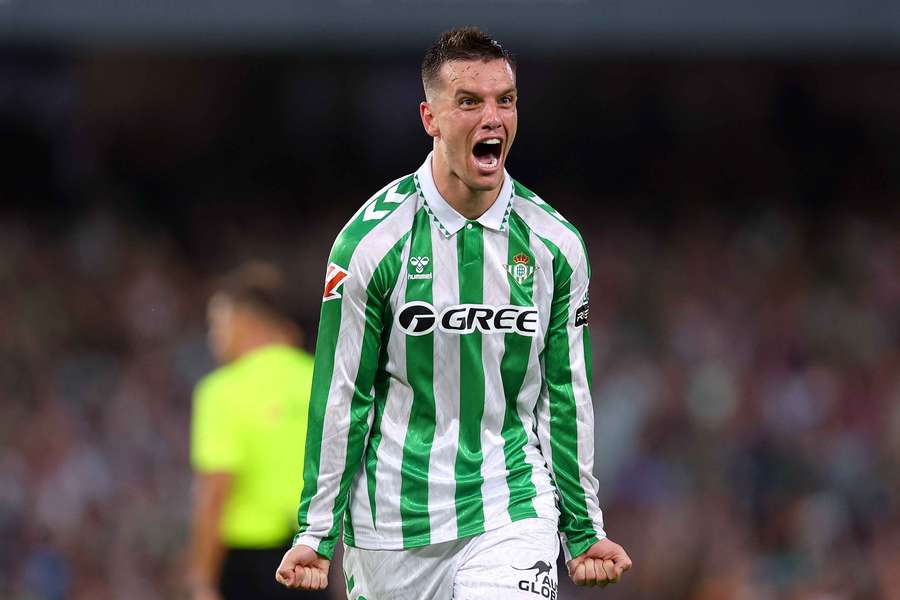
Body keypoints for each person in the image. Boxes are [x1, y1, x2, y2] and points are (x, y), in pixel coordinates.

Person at [276, 27, 633, 598]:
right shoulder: (372, 243)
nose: (493, 117)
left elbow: (566, 394)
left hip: (510, 502)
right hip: (392, 525)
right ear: (430, 118)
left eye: (505, 100)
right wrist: (315, 533)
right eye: (469, 102)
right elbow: (343, 393)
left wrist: (584, 529)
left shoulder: (554, 246)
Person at [188, 262, 329, 600]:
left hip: (246, 565)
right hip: (311, 558)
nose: (212, 337)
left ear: (245, 322)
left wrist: (200, 580)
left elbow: (215, 490)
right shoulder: (319, 379)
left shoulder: (222, 391)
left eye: (217, 324)